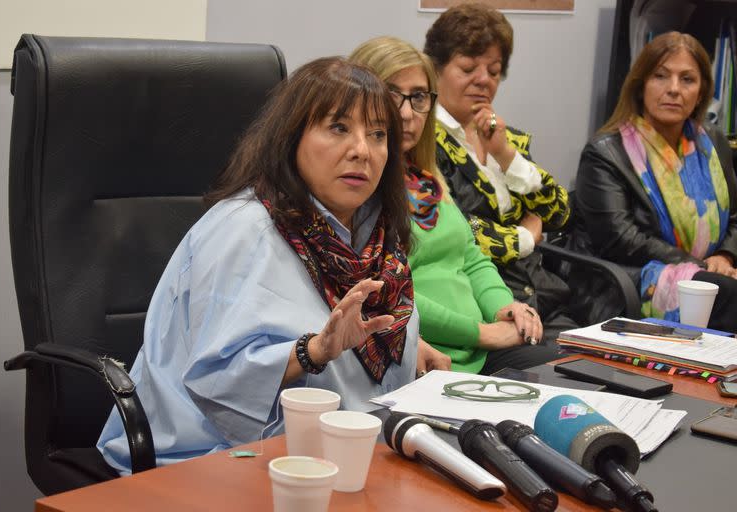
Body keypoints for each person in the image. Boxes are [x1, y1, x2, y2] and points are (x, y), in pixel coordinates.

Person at [97, 57, 439, 474]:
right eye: (338, 128)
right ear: (292, 137)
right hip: (213, 456)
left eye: (378, 134)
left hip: (348, 453)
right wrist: (315, 350)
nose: (361, 151)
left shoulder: (379, 239)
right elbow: (215, 382)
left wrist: (411, 351)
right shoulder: (245, 230)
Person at [351, 36, 560, 375]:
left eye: (418, 97)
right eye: (392, 95)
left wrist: (504, 308)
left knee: (571, 379)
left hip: (480, 347)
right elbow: (391, 295)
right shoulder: (357, 190)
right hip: (425, 353)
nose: (406, 113)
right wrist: (483, 334)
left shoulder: (425, 178)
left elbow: (472, 260)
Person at [422, 3, 578, 342]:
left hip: (544, 296)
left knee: (607, 369)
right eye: (467, 68)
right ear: (435, 70)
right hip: (488, 302)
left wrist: (505, 155)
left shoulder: (505, 138)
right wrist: (526, 238)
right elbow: (457, 231)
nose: (483, 81)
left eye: (493, 72)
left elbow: (559, 213)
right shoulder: (423, 141)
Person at [573, 31, 737, 330]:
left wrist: (725, 256)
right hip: (628, 280)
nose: (674, 89)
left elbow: (735, 216)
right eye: (660, 76)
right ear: (641, 86)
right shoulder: (606, 152)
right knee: (722, 292)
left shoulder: (712, 143)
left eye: (687, 79)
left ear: (701, 93)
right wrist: (701, 265)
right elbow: (621, 239)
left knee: (715, 288)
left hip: (708, 271)